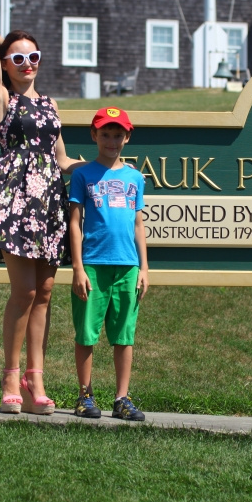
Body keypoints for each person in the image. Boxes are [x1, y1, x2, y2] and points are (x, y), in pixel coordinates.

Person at [0, 27, 84, 415]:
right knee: (25, 291)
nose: (27, 64)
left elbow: (61, 159)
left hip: (48, 202)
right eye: (18, 58)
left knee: (44, 291)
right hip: (15, 203)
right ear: (5, 64)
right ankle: (10, 377)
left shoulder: (50, 104)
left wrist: (94, 168)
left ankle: (35, 380)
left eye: (33, 57)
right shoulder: (1, 98)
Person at [68, 107, 149, 421]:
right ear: (94, 135)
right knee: (86, 333)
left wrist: (144, 268)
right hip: (92, 264)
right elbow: (75, 223)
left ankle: (121, 398)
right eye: (105, 134)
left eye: (118, 135)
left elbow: (138, 224)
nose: (112, 141)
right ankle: (85, 396)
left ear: (127, 138)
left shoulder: (134, 178)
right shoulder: (83, 175)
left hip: (127, 266)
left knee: (124, 335)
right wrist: (77, 268)